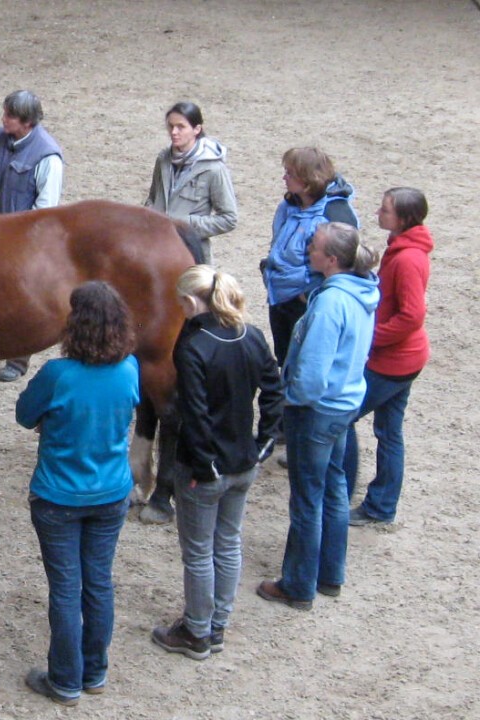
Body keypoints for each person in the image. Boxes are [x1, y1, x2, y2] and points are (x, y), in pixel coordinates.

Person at [150, 266, 282, 660]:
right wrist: (264, 442)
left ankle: (196, 630)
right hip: (243, 461)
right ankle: (218, 623)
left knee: (198, 552)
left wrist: (203, 463)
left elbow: (196, 413)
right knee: (228, 543)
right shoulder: (252, 336)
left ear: (192, 303)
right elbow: (274, 392)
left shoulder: (194, 347)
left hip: (204, 469)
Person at [17, 281, 138, 707]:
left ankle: (66, 679)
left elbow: (22, 413)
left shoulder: (57, 375)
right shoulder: (129, 368)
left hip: (59, 496)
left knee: (66, 589)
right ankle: (95, 670)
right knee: (99, 582)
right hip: (110, 493)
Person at [258, 222, 379, 610]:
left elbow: (311, 372)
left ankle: (297, 584)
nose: (308, 250)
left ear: (330, 259)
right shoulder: (361, 292)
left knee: (308, 499)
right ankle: (330, 574)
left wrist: (290, 400)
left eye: (314, 247)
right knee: (334, 488)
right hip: (344, 404)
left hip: (317, 410)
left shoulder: (329, 303)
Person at [345, 188, 433, 526]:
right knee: (390, 431)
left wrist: (371, 339)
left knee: (343, 417)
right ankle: (381, 505)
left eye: (385, 210)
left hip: (393, 362)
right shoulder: (403, 249)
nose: (379, 213)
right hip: (404, 359)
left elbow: (412, 315)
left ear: (404, 219)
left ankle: (346, 489)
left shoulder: (408, 258)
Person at [0, 89, 65, 384]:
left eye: (10, 116)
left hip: (20, 243)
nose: (3, 120)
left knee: (20, 298)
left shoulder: (48, 156)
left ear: (27, 122)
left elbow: (45, 210)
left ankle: (18, 356)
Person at [261, 147, 358, 368]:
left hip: (304, 303)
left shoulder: (335, 216)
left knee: (304, 363)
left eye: (290, 173)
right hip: (280, 297)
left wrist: (307, 296)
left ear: (307, 180)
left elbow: (344, 266)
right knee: (285, 360)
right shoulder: (289, 205)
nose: (284, 178)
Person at [143, 102, 238, 265]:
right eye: (171, 126)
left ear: (197, 129)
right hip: (155, 250)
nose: (174, 132)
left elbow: (229, 218)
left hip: (190, 256)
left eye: (181, 127)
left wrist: (184, 225)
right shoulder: (163, 159)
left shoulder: (214, 168)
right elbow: (153, 197)